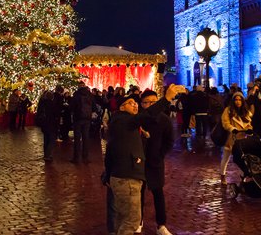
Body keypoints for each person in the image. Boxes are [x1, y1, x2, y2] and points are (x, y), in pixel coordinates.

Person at [138, 85, 187, 235]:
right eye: (147, 102)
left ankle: (161, 225)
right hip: (139, 163)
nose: (150, 105)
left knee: (158, 194)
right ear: (142, 104)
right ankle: (138, 221)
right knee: (137, 194)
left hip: (155, 161)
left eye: (154, 101)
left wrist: (160, 154)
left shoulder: (164, 120)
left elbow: (169, 140)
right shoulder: (139, 118)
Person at [103, 94, 146, 235]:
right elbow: (146, 115)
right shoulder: (124, 120)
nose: (135, 105)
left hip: (120, 176)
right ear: (122, 107)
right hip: (127, 178)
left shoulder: (118, 122)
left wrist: (108, 174)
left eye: (135, 102)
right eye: (130, 102)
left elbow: (110, 151)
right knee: (132, 220)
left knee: (124, 217)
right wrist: (167, 99)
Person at [220, 92, 254, 185]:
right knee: (226, 158)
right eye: (236, 100)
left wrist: (249, 130)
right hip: (232, 138)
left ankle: (243, 178)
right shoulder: (228, 110)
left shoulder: (245, 112)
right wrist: (232, 128)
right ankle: (222, 175)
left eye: (240, 100)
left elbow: (249, 124)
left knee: (242, 159)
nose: (238, 102)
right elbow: (225, 122)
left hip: (243, 139)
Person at [70, 82, 94, 164]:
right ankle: (85, 157)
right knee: (86, 137)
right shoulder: (89, 94)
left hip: (78, 118)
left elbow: (72, 106)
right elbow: (93, 105)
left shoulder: (76, 94)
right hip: (87, 118)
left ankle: (77, 158)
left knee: (77, 138)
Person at [36, 90, 58, 161]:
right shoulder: (52, 104)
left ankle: (46, 154)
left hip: (44, 124)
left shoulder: (42, 103)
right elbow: (55, 114)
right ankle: (48, 154)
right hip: (51, 123)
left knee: (46, 139)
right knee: (51, 139)